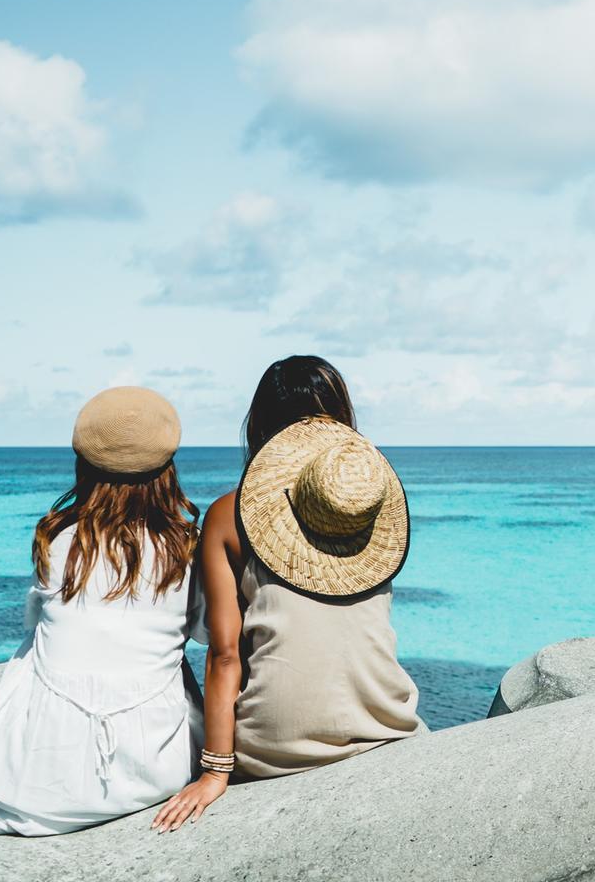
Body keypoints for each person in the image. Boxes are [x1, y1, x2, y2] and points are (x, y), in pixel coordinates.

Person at [153, 355, 419, 832]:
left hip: (278, 744)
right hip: (386, 725)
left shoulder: (227, 515)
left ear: (260, 425)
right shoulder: (373, 508)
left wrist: (215, 772)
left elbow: (225, 655)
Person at [0, 386, 206, 837]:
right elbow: (204, 633)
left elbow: (34, 624)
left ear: (84, 465)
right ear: (167, 470)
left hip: (43, 778)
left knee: (34, 647)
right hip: (156, 769)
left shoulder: (56, 539)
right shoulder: (185, 547)